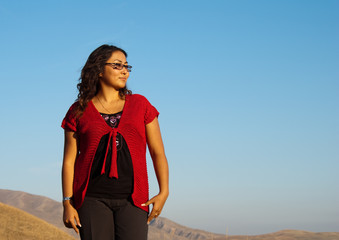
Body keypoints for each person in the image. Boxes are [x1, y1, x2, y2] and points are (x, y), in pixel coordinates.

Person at [61, 44, 169, 240]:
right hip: (91, 201)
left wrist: (164, 192)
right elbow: (69, 161)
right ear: (99, 69)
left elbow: (157, 152)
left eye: (127, 66)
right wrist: (67, 202)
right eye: (118, 65)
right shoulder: (78, 110)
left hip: (134, 201)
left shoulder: (141, 105)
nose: (125, 71)